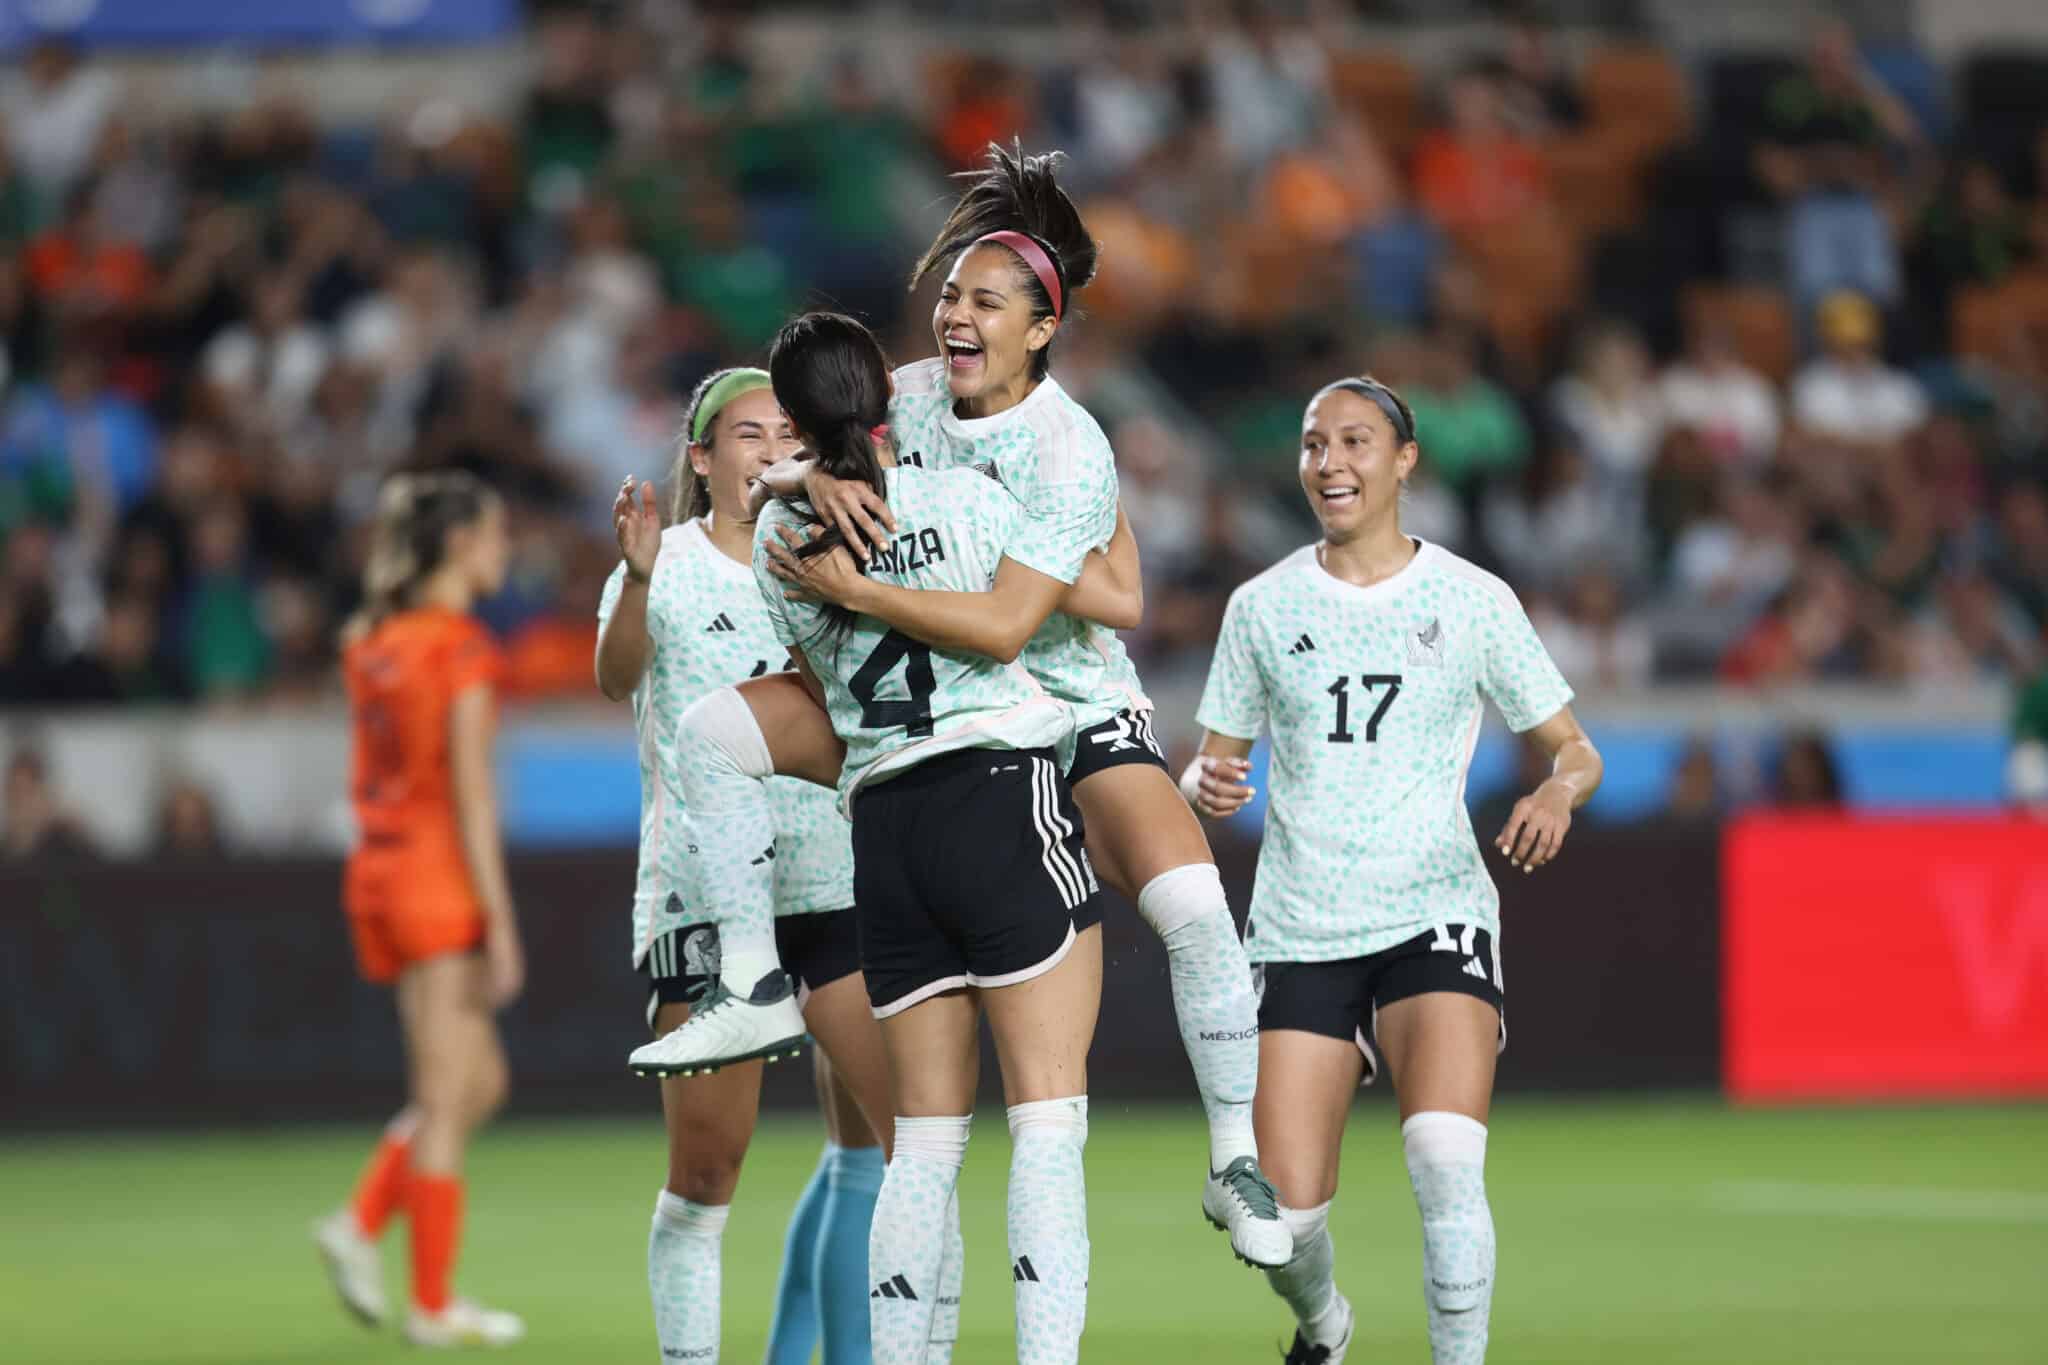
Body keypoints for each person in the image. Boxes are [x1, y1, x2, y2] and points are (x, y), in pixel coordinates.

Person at [752, 142, 1291, 1270]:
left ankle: (1235, 1157)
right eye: (950, 293)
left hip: (1070, 700)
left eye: (984, 300)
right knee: (721, 730)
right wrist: (816, 474)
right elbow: (795, 463)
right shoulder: (904, 397)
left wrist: (921, 564)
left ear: (1041, 329)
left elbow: (1082, 605)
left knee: (1194, 901)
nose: (954, 313)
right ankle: (733, 958)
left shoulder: (1067, 442)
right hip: (953, 715)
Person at [1182, 377, 1602, 1364]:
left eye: (1354, 441)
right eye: (1312, 444)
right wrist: (1204, 782)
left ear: (1404, 460)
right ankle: (1323, 1324)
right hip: (1300, 925)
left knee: (1446, 1164)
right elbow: (1208, 762)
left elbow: (1574, 749)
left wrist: (1556, 793)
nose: (1329, 462)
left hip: (1433, 910)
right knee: (1281, 1218)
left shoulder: (1470, 598)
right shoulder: (1261, 605)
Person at [768, 311, 1106, 1363]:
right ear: (887, 391)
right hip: (996, 790)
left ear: (793, 421)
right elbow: (1069, 607)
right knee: (1046, 1119)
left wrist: (802, 488)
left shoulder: (784, 547)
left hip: (883, 823)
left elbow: (815, 678)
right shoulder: (967, 496)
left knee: (920, 1141)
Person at [596, 368, 894, 1365]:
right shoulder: (666, 562)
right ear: (703, 455)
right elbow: (614, 677)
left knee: (895, 1144)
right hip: (705, 901)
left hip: (833, 881)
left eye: (787, 435)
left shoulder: (824, 555)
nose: (772, 451)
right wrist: (638, 579)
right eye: (748, 434)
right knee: (706, 1176)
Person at [313, 472, 525, 1349]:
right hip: (437, 875)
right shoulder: (461, 648)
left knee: (479, 1081)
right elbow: (472, 795)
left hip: (380, 869)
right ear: (460, 544)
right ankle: (429, 1302)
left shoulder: (373, 641)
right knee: (445, 1097)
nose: (506, 550)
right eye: (496, 535)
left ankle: (363, 1218)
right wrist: (500, 920)